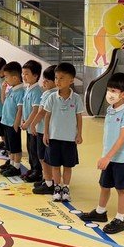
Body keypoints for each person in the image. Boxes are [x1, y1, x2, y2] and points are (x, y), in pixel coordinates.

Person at [79, 73, 124, 235]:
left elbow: (122, 138)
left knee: (121, 189)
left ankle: (120, 218)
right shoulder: (110, 109)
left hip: (121, 159)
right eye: (109, 90)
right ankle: (100, 211)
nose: (109, 93)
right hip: (108, 156)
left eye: (113, 91)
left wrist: (107, 157)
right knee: (104, 185)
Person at [42, 62, 83, 203]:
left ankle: (66, 188)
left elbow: (79, 117)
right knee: (55, 165)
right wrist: (46, 133)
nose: (57, 81)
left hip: (69, 139)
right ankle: (57, 188)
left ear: (71, 80)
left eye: (61, 78)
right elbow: (47, 116)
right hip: (54, 137)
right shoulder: (52, 97)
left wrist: (79, 134)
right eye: (56, 78)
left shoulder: (76, 98)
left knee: (67, 166)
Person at [29, 66, 56, 196]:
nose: (43, 82)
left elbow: (41, 112)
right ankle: (47, 180)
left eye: (47, 80)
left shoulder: (49, 94)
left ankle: (49, 183)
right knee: (45, 157)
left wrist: (33, 124)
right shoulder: (53, 93)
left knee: (43, 158)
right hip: (48, 130)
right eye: (44, 79)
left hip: (43, 130)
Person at [0, 61, 24, 177]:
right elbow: (3, 101)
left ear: (15, 77)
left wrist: (16, 123)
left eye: (6, 77)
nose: (5, 79)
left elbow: (20, 109)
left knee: (15, 148)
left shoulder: (20, 91)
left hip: (13, 124)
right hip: (6, 122)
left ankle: (16, 167)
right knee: (9, 147)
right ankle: (12, 164)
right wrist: (3, 89)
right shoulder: (12, 89)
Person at [18, 60, 42, 183]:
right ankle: (32, 169)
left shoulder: (37, 91)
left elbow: (35, 110)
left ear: (36, 75)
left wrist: (27, 123)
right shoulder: (28, 88)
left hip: (34, 127)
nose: (24, 76)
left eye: (27, 73)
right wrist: (23, 120)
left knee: (34, 150)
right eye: (23, 73)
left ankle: (37, 172)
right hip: (27, 126)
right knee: (30, 148)